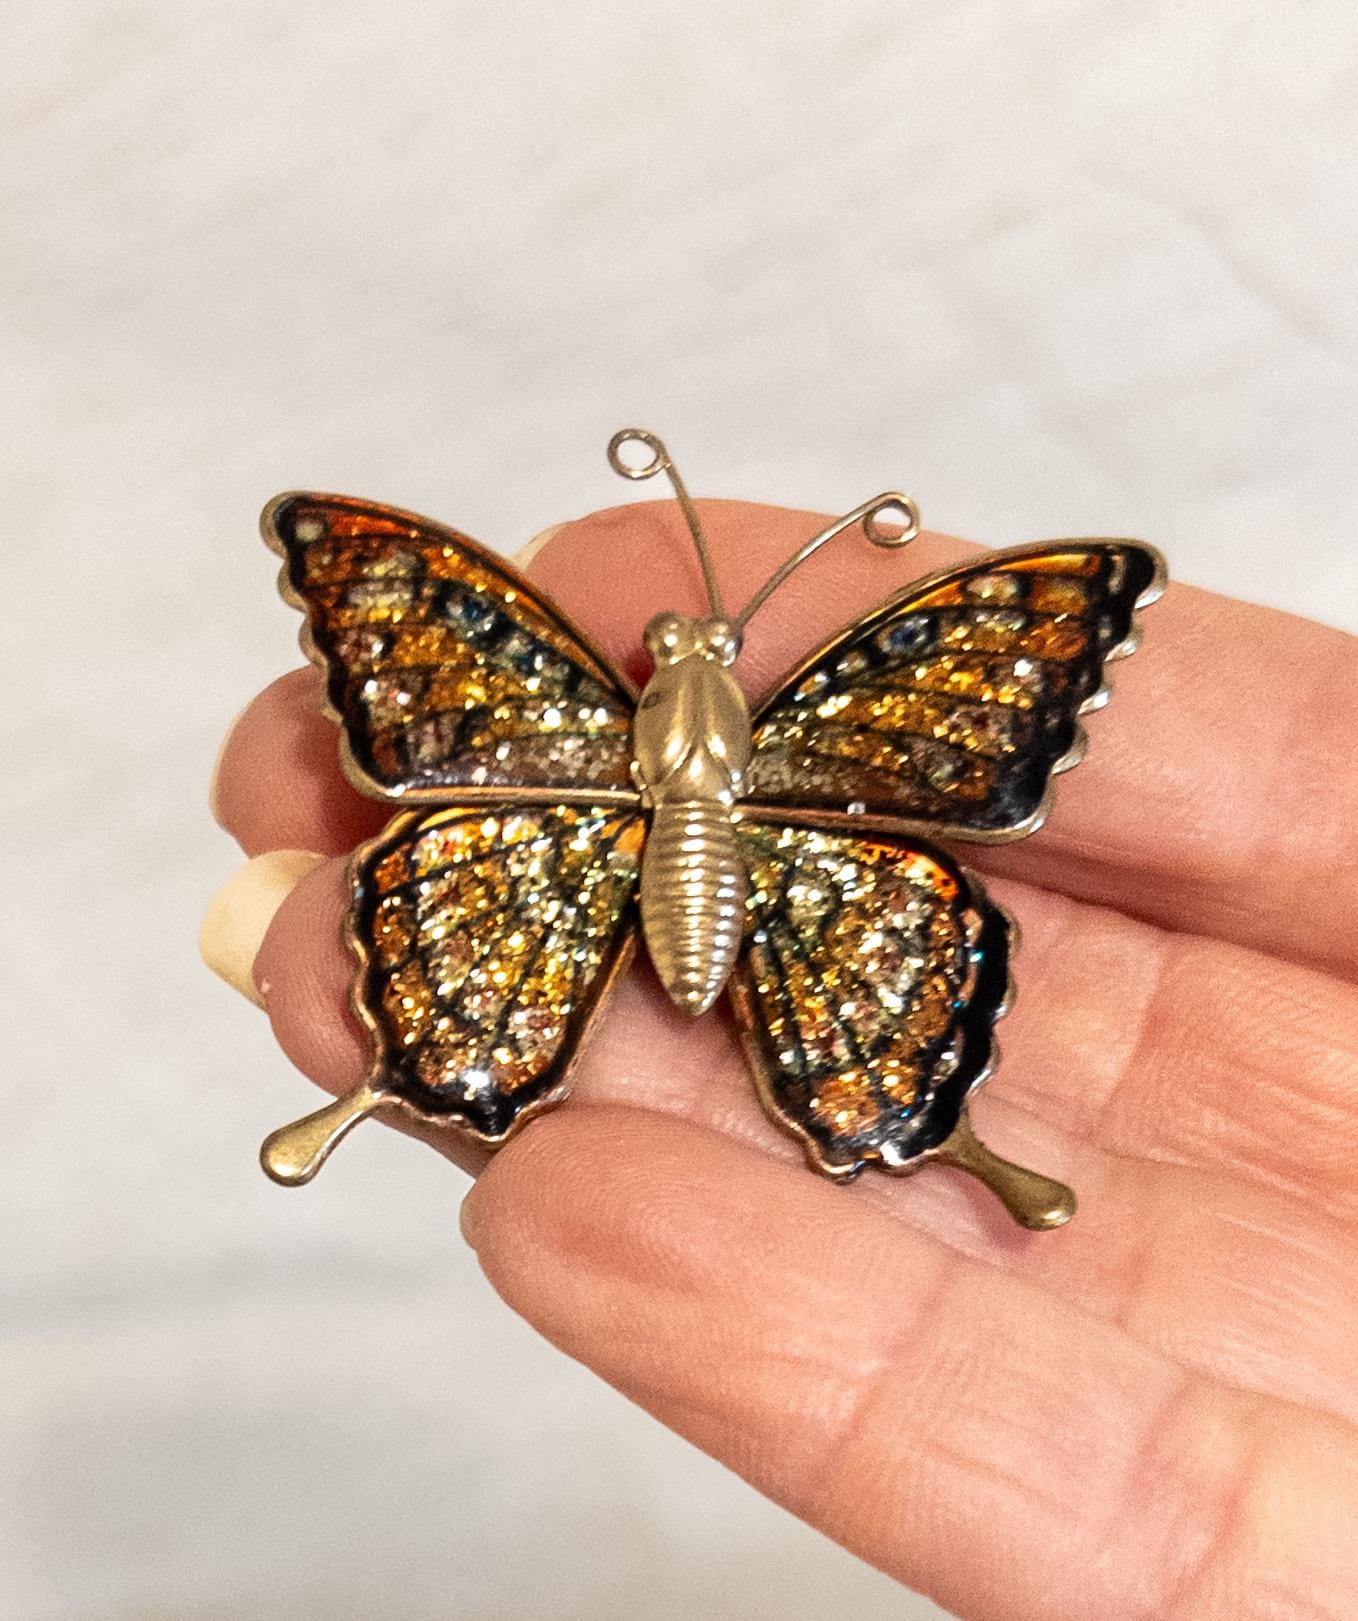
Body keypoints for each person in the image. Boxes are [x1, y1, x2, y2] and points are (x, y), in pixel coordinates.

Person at [203, 497, 1358, 1620]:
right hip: (781, 859)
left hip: (576, 852)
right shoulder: (826, 709)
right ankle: (946, 1139)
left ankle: (389, 1089)